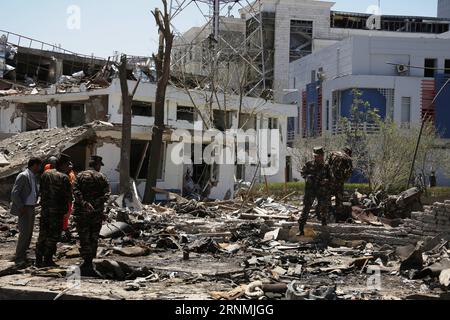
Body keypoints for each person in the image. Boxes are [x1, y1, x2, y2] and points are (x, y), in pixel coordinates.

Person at [73, 156, 110, 276]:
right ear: (97, 165)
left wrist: (84, 203)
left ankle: (85, 261)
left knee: (84, 236)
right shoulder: (102, 177)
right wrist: (96, 203)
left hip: (82, 212)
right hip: (96, 213)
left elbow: (75, 191)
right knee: (93, 237)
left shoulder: (80, 176)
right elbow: (107, 194)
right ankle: (89, 263)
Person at [35, 154, 73, 268]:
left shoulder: (45, 174)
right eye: (67, 165)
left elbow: (41, 190)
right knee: (53, 236)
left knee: (43, 234)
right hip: (57, 212)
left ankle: (38, 259)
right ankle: (48, 259)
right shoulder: (64, 177)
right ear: (63, 164)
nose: (68, 167)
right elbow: (68, 196)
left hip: (45, 210)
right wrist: (67, 210)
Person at [10, 157, 42, 267]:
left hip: (31, 207)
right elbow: (15, 193)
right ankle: (19, 257)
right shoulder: (23, 176)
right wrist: (21, 206)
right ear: (34, 165)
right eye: (38, 165)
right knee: (24, 233)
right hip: (24, 208)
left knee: (29, 233)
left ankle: (24, 255)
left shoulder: (33, 176)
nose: (39, 168)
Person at [298, 147, 331, 236]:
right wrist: (308, 177)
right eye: (316, 156)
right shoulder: (309, 164)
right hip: (310, 189)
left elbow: (330, 178)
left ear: (322, 156)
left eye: (320, 156)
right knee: (306, 207)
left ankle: (323, 222)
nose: (318, 158)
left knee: (323, 206)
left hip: (322, 190)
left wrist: (326, 181)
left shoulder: (326, 166)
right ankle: (301, 228)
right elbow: (302, 172)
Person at [327, 147, 353, 221]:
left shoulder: (333, 154)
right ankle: (337, 218)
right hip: (339, 182)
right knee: (339, 200)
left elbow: (327, 165)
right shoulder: (347, 158)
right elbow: (350, 171)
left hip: (330, 181)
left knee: (328, 197)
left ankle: (328, 215)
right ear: (348, 152)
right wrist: (344, 178)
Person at [62, 162, 76, 241]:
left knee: (66, 214)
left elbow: (72, 186)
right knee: (66, 214)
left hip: (67, 198)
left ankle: (64, 229)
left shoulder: (70, 175)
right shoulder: (69, 175)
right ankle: (63, 229)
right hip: (67, 198)